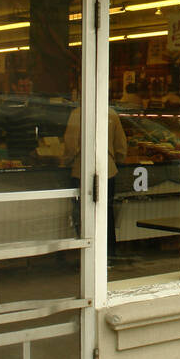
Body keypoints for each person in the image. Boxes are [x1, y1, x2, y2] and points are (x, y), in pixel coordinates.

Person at [63, 99, 128, 257]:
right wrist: (117, 159)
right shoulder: (111, 114)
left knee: (83, 212)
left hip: (82, 168)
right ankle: (109, 254)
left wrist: (65, 160)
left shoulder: (77, 114)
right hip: (108, 169)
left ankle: (86, 255)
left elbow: (70, 146)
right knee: (107, 213)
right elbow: (121, 146)